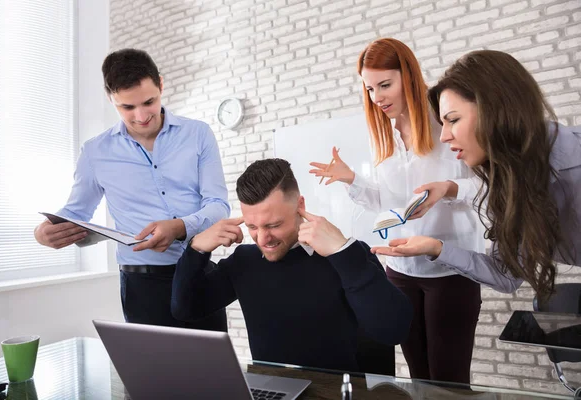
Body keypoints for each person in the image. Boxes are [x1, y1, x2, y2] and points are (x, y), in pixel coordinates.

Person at [309, 38, 486, 383]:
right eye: (370, 89)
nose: (378, 98)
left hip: (449, 270)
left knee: (449, 383)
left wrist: (449, 190)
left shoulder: (447, 123)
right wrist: (351, 179)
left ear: (409, 75)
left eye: (385, 85)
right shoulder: (385, 135)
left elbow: (488, 190)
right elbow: (388, 205)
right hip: (400, 271)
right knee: (419, 379)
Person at [34, 48, 230, 331]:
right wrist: (44, 232)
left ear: (161, 85)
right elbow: (76, 212)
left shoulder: (198, 134)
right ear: (111, 99)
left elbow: (218, 204)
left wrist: (179, 227)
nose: (140, 116)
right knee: (154, 373)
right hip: (141, 284)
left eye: (149, 102)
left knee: (214, 370)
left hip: (198, 272)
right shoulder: (95, 152)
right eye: (127, 107)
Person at [371, 49, 581, 302]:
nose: (444, 136)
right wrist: (436, 248)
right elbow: (507, 276)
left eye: (453, 120)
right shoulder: (511, 184)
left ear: (496, 110)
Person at [171, 158, 413, 372]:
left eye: (274, 225)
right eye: (253, 227)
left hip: (332, 393)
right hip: (272, 389)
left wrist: (343, 252)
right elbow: (186, 309)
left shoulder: (345, 255)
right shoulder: (244, 261)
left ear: (300, 206)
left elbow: (393, 330)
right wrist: (196, 249)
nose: (263, 239)